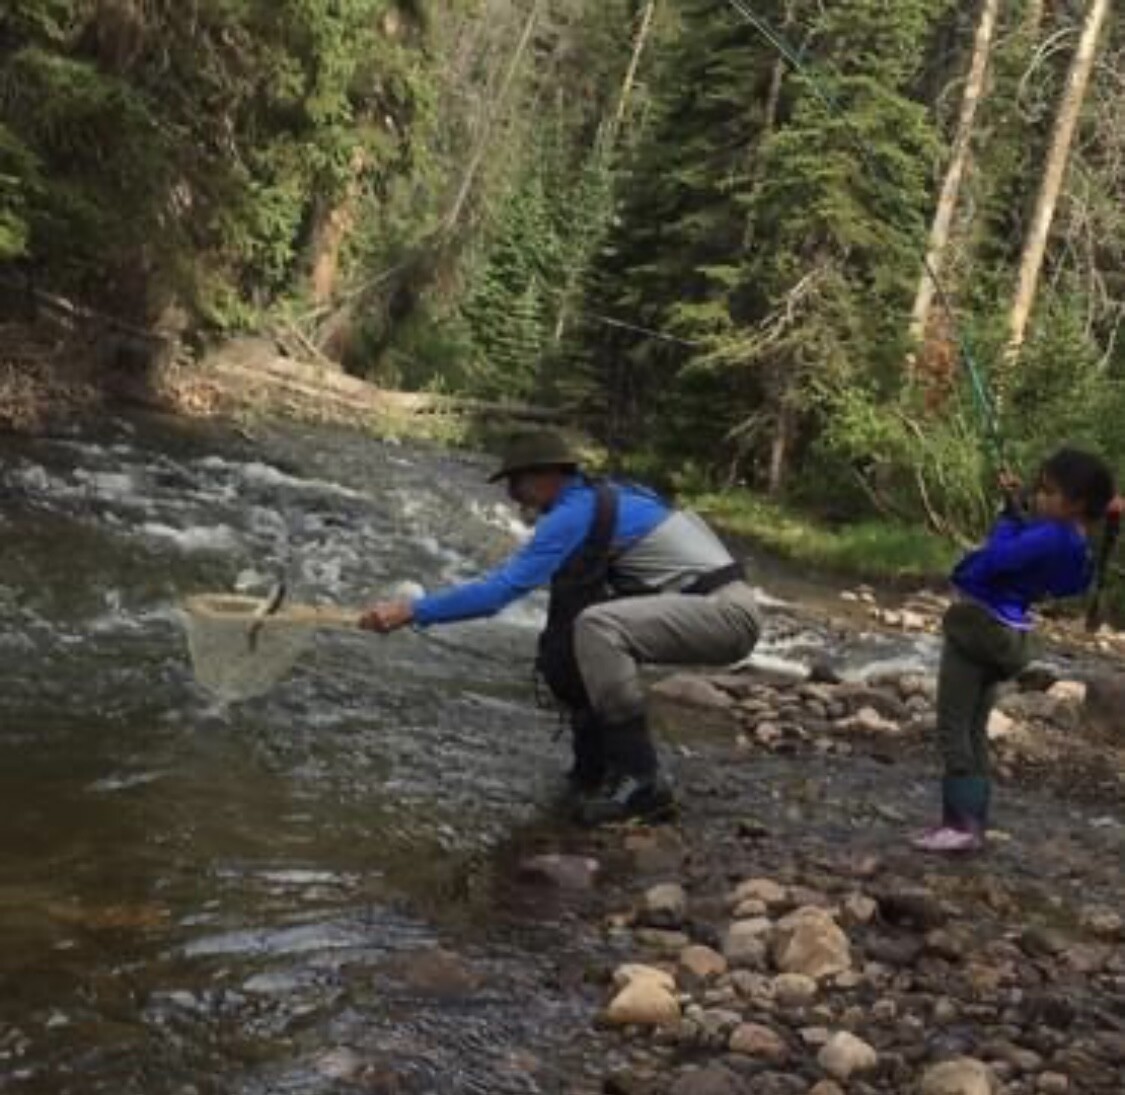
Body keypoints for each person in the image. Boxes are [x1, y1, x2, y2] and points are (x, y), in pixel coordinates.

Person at [359, 429, 762, 826]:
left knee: (598, 626)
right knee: (575, 639)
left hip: (725, 617)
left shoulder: (573, 515)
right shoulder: (608, 498)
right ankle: (596, 770)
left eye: (515, 483)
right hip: (719, 610)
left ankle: (643, 784)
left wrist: (412, 610)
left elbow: (497, 593)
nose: (512, 496)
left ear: (546, 475)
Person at [912, 447, 1117, 854]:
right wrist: (1018, 505)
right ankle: (971, 823)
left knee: (953, 727)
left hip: (979, 627)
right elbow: (1034, 557)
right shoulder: (1075, 543)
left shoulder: (1051, 534)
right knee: (975, 727)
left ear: (1075, 503)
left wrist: (1007, 518)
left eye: (1047, 491)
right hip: (1011, 632)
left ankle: (960, 826)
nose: (1039, 497)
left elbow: (998, 559)